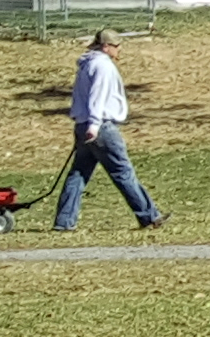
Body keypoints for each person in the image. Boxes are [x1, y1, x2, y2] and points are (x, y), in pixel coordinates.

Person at [50, 30, 162, 231]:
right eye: (116, 46)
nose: (120, 50)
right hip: (101, 126)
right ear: (105, 46)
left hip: (83, 124)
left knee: (79, 173)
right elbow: (97, 97)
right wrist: (94, 125)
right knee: (122, 171)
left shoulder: (86, 64)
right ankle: (149, 216)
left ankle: (64, 221)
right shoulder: (102, 66)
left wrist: (84, 124)